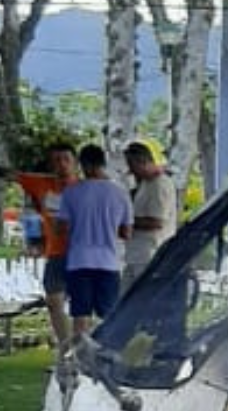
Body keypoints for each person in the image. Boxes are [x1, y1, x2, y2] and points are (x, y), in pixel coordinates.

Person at [57, 144, 133, 340]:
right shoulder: (120, 193)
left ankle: (80, 359)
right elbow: (126, 232)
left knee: (80, 316)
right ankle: (106, 356)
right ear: (103, 163)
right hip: (108, 261)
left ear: (82, 164)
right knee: (108, 316)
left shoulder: (71, 193)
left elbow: (62, 229)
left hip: (79, 260)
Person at [13, 142, 78, 349]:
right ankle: (66, 346)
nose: (61, 165)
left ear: (74, 163)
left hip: (81, 253)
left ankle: (83, 346)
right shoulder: (41, 184)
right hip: (56, 253)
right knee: (53, 300)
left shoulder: (83, 187)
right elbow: (14, 175)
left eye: (66, 159)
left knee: (82, 305)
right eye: (56, 160)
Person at [123, 138, 178, 285]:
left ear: (142, 162)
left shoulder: (159, 185)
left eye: (132, 166)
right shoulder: (146, 183)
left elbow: (156, 221)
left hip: (149, 255)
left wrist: (126, 222)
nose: (130, 171)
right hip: (136, 255)